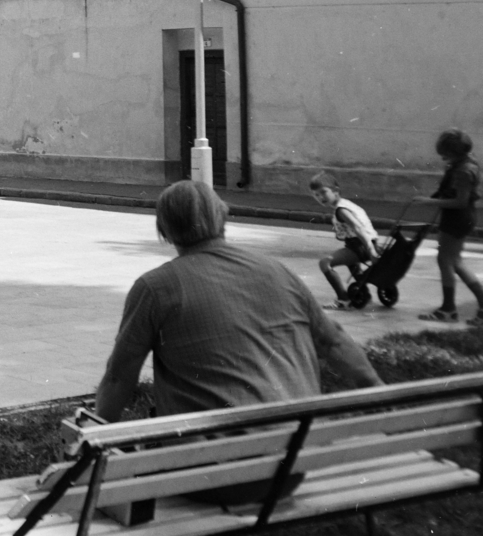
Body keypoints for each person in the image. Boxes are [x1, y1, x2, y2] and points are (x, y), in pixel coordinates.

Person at [95, 181, 380, 426]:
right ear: (223, 217)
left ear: (165, 231)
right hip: (295, 458)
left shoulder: (155, 288)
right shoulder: (276, 270)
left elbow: (118, 379)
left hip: (216, 476)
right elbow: (334, 341)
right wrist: (381, 396)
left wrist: (93, 440)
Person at [415, 129, 483, 324]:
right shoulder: (467, 163)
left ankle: (448, 309)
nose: (443, 157)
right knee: (455, 262)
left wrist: (427, 202)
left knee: (446, 261)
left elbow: (460, 201)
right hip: (462, 218)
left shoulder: (463, 170)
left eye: (446, 153)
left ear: (454, 152)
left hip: (457, 218)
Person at [310, 171, 380, 309]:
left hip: (361, 246)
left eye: (323, 192)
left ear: (336, 191)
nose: (320, 197)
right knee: (351, 262)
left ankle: (343, 299)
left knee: (325, 263)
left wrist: (370, 250)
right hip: (364, 243)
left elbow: (358, 227)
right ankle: (364, 294)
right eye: (316, 195)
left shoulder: (341, 210)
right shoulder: (346, 204)